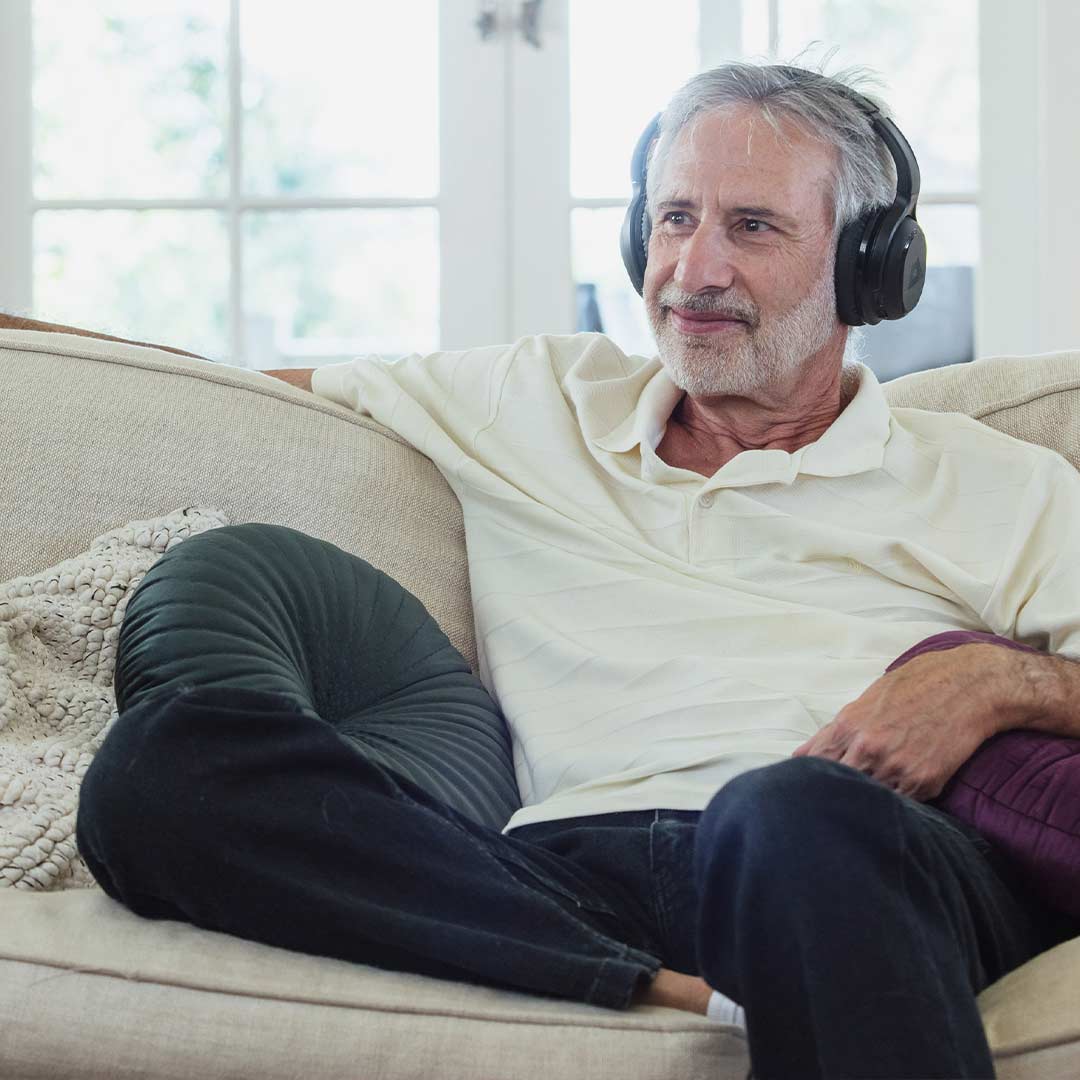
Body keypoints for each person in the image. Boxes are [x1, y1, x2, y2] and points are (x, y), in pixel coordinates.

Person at [12, 61, 1080, 1079]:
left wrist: (998, 681)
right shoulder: (537, 397)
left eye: (751, 227)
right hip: (567, 875)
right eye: (673, 218)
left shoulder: (996, 481)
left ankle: (658, 968)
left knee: (788, 812)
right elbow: (207, 380)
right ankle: (660, 985)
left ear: (867, 266)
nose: (693, 271)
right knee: (159, 767)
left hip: (852, 855)